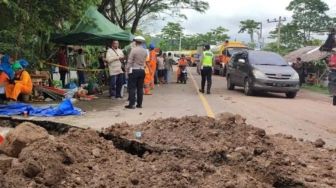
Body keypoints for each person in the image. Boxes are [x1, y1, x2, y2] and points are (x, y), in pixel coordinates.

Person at [125, 36, 147, 109]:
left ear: (135, 42)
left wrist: (127, 70)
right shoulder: (145, 51)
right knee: (140, 88)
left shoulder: (133, 50)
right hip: (142, 70)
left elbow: (130, 61)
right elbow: (144, 60)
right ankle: (139, 104)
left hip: (134, 70)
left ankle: (132, 104)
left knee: (132, 88)